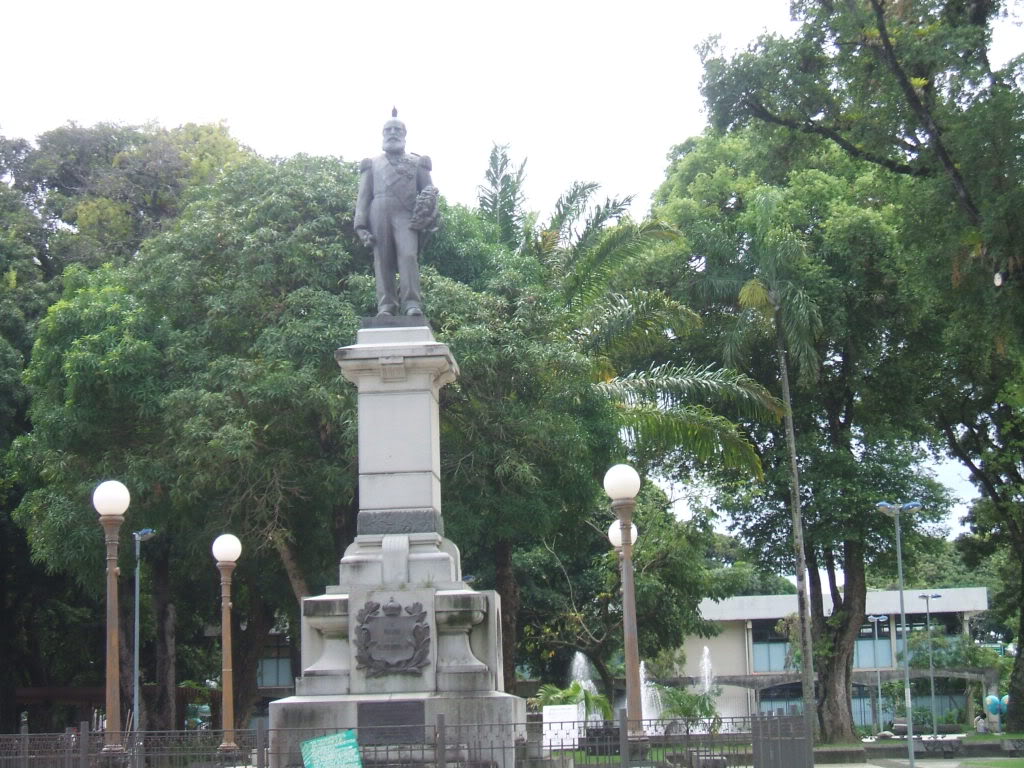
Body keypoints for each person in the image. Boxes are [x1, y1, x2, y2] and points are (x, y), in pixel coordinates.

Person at [354, 109, 439, 317]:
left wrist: (428, 215)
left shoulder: (418, 162)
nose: (393, 133)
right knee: (382, 259)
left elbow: (429, 192)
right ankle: (386, 306)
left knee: (408, 256)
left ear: (404, 134)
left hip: (406, 214)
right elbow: (364, 197)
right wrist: (360, 226)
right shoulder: (372, 164)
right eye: (388, 129)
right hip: (378, 213)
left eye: (397, 129)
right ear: (383, 134)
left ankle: (411, 303)